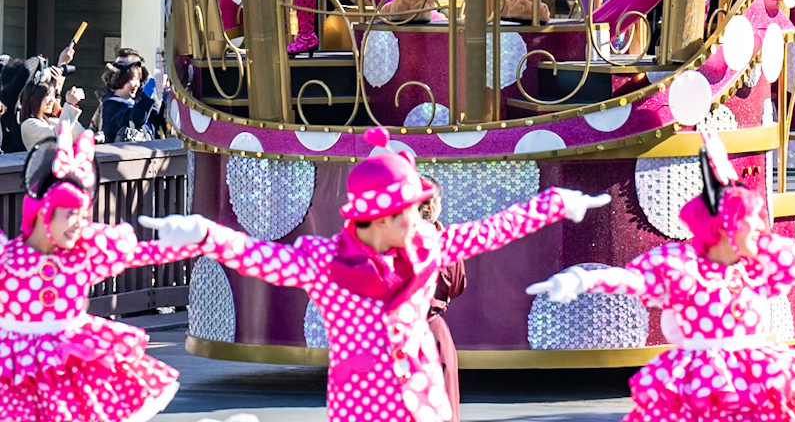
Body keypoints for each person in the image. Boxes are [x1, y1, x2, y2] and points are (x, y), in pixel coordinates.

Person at [142, 125, 610, 422]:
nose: (418, 217)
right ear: (377, 218)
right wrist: (203, 233)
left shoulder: (426, 244)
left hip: (421, 390)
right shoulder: (324, 262)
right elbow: (259, 256)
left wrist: (556, 204)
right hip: (361, 401)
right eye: (407, 210)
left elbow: (493, 230)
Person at [527, 128, 795, 422]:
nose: (761, 231)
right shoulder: (684, 269)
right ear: (726, 230)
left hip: (757, 374)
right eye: (752, 223)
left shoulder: (758, 267)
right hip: (703, 382)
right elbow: (634, 283)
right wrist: (583, 281)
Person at [0, 125, 208, 422]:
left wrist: (201, 241)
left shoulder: (82, 256)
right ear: (45, 210)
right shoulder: (7, 259)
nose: (79, 224)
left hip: (67, 367)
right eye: (71, 214)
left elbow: (143, 255)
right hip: (15, 368)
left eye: (85, 216)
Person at [420, 178, 466, 422]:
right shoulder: (446, 242)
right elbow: (457, 286)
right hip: (433, 331)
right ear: (435, 206)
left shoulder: (389, 242)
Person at [18, 70, 84, 150]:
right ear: (34, 98)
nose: (53, 100)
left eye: (53, 95)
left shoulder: (51, 120)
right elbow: (58, 136)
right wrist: (69, 105)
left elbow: (80, 135)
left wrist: (60, 112)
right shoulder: (28, 124)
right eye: (47, 95)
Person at [99, 58, 162, 143]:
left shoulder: (133, 103)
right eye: (134, 79)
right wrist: (147, 95)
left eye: (139, 80)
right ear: (121, 79)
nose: (138, 84)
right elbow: (135, 119)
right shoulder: (110, 106)